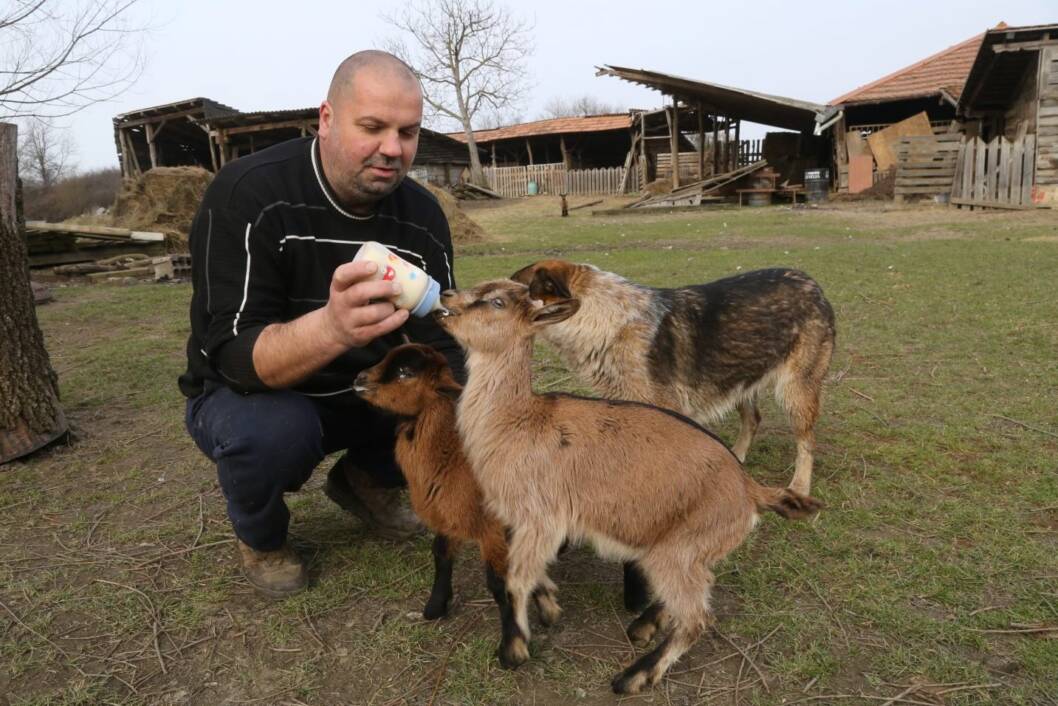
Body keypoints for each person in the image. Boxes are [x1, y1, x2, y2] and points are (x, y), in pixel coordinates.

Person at [178, 50, 464, 598]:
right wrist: (332, 328)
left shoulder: (422, 215)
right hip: (254, 395)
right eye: (373, 127)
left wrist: (483, 411)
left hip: (362, 390)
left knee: (452, 390)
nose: (393, 149)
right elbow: (234, 357)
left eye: (408, 132)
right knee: (272, 433)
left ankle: (368, 478)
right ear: (327, 119)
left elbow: (436, 336)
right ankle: (262, 537)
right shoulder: (248, 195)